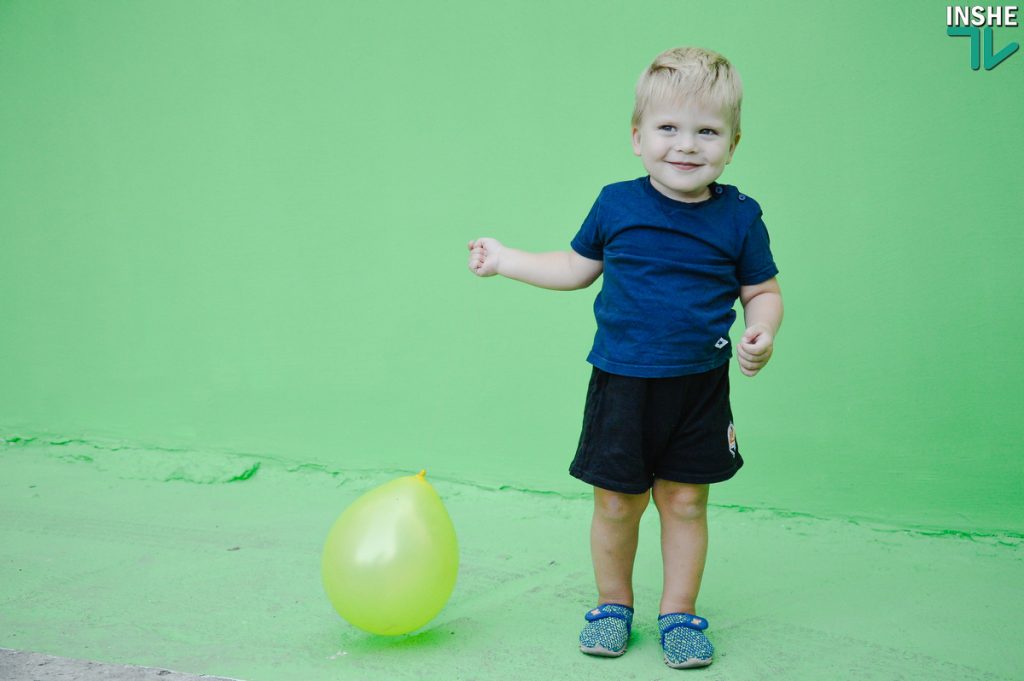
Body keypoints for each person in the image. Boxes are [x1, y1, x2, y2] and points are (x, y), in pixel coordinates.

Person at [466, 46, 782, 669]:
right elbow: (574, 268)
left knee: (686, 502)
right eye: (668, 128)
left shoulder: (741, 217)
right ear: (637, 137)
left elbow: (763, 292)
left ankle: (680, 613)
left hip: (698, 389)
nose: (686, 145)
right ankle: (613, 605)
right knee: (616, 502)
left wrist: (762, 331)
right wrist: (507, 260)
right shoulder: (617, 203)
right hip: (622, 383)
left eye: (707, 132)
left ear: (733, 143)